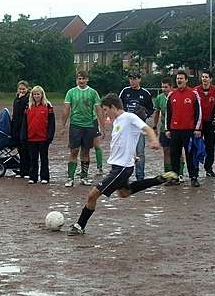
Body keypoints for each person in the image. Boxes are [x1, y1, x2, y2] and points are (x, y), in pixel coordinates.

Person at [68, 94, 178, 235]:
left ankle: (79, 226)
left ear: (113, 107)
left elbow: (148, 129)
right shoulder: (117, 121)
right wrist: (132, 155)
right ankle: (159, 179)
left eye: (106, 110)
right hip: (119, 166)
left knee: (92, 195)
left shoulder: (129, 117)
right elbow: (124, 141)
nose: (105, 113)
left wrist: (154, 141)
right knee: (125, 193)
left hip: (122, 168)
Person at [60, 71, 104, 187]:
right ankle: (70, 178)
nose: (81, 81)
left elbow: (98, 109)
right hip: (75, 125)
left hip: (89, 126)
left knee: (85, 151)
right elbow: (66, 109)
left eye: (83, 79)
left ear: (87, 80)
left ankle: (84, 177)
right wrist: (63, 126)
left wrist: (102, 126)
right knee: (74, 151)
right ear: (76, 80)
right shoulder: (71, 92)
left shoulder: (93, 93)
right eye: (79, 79)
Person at [165, 70, 202, 187]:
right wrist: (167, 129)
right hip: (175, 130)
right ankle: (175, 177)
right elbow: (168, 113)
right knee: (174, 154)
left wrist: (197, 128)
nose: (179, 80)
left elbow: (198, 112)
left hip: (189, 130)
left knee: (191, 154)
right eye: (177, 78)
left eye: (181, 78)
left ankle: (194, 177)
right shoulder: (171, 95)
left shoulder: (193, 94)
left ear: (186, 80)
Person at [119, 72, 154, 181]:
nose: (132, 81)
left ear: (139, 80)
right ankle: (124, 175)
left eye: (134, 79)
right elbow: (119, 105)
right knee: (126, 151)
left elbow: (151, 108)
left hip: (139, 127)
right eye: (130, 79)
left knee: (140, 152)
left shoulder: (145, 93)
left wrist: (146, 114)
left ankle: (140, 176)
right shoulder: (125, 91)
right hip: (126, 127)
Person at [21, 86, 55, 184]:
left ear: (42, 95)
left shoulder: (48, 106)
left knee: (44, 158)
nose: (36, 96)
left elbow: (51, 122)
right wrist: (24, 135)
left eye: (38, 94)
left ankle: (45, 177)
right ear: (32, 95)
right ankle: (33, 177)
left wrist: (50, 136)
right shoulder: (28, 106)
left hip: (43, 137)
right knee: (33, 158)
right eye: (34, 94)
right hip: (31, 137)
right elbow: (24, 122)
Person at [193, 70, 215, 178]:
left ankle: (208, 168)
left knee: (210, 146)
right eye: (203, 77)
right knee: (196, 146)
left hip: (210, 123)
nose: (204, 79)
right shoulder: (195, 90)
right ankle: (195, 169)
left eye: (206, 77)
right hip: (198, 124)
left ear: (210, 79)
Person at [11, 80, 30, 178]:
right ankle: (22, 170)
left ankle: (27, 171)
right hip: (16, 127)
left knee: (25, 150)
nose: (22, 91)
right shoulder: (16, 99)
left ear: (27, 89)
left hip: (24, 127)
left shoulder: (27, 99)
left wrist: (21, 99)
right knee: (20, 150)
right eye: (20, 89)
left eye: (23, 89)